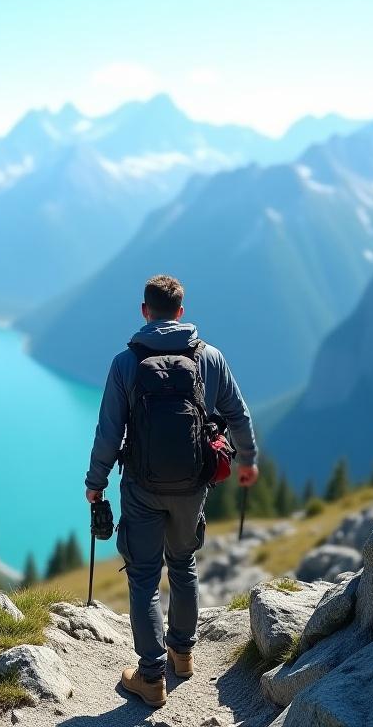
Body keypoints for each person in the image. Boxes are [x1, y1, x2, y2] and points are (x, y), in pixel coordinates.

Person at [85, 274, 258, 708]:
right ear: (181, 312)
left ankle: (150, 677)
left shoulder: (126, 363)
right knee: (183, 563)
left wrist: (95, 482)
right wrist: (248, 460)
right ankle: (182, 654)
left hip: (142, 486)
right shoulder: (210, 358)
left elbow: (109, 431)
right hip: (193, 483)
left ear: (145, 311)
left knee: (144, 575)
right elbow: (236, 413)